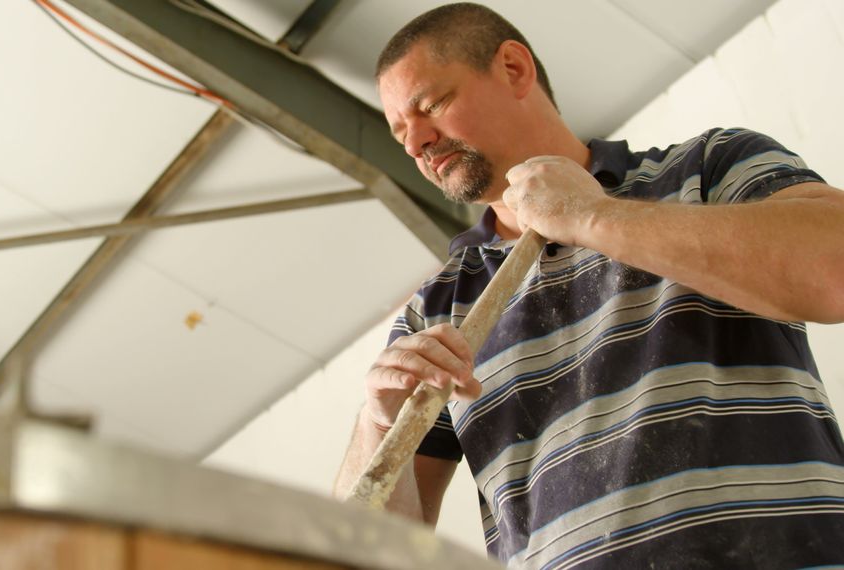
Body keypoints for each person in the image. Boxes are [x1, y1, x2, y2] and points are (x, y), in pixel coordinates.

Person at [333, 3, 844, 568]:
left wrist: (590, 217)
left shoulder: (707, 166)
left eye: (430, 105)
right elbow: (363, 555)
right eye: (400, 132)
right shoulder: (435, 309)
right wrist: (378, 423)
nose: (416, 144)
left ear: (513, 68)